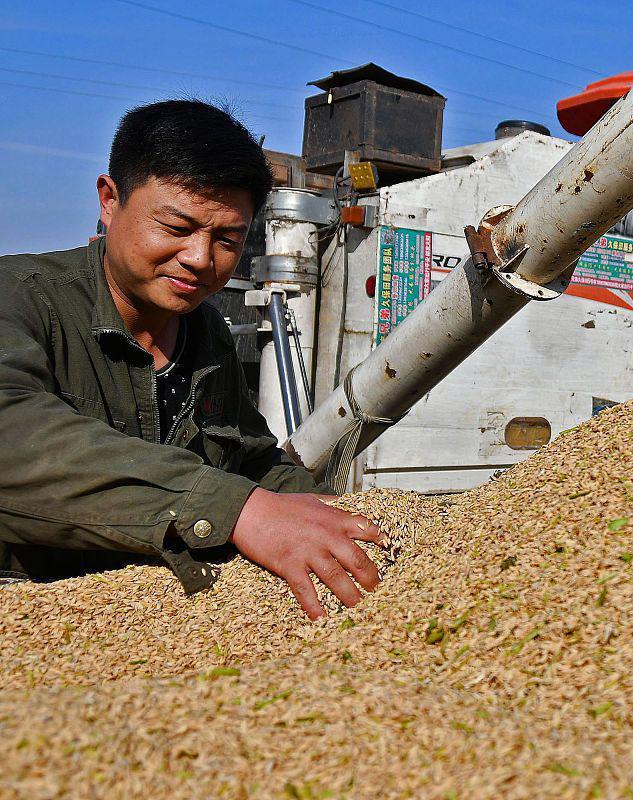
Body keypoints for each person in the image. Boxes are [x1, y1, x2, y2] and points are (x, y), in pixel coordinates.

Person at [0, 100, 381, 619]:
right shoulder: (21, 298)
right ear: (110, 201)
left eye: (228, 239)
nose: (201, 259)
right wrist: (238, 510)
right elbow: (12, 433)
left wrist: (350, 521)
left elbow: (251, 459)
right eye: (176, 227)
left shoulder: (207, 334)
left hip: (158, 623)